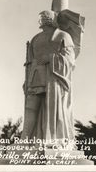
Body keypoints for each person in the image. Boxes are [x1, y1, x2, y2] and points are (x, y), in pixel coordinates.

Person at [21, 10, 76, 147]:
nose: (42, 20)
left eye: (45, 17)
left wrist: (50, 58)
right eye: (41, 18)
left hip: (53, 78)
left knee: (53, 108)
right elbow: (30, 61)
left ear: (52, 19)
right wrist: (26, 80)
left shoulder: (63, 36)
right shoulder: (35, 38)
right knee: (30, 107)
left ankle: (52, 138)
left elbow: (70, 60)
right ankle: (25, 140)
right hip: (35, 77)